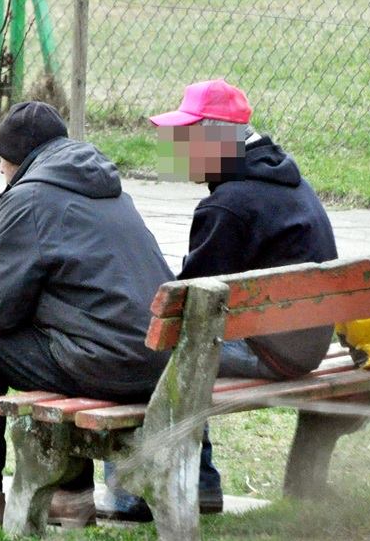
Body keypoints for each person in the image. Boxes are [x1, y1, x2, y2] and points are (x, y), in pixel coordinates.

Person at [0, 102, 174, 537]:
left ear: (12, 161)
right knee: (56, 340)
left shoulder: (29, 197)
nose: (1, 172)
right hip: (160, 362)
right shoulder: (108, 188)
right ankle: (70, 495)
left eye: (2, 164)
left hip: (111, 366)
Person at [101, 78, 337, 520]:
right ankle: (201, 481)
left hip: (274, 351)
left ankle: (134, 491)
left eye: (185, 138)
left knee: (135, 349)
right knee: (182, 344)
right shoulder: (286, 180)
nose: (178, 149)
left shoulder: (228, 206)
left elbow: (190, 308)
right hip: (309, 342)